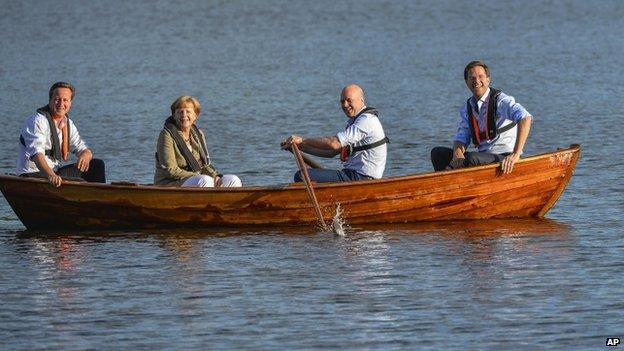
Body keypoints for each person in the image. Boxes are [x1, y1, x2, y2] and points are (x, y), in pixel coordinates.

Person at [431, 61, 533, 174]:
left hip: (504, 158)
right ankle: (447, 187)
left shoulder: (501, 101)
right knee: (437, 153)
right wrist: (457, 153)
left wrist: (516, 154)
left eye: (481, 77)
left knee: (472, 158)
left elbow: (525, 118)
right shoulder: (467, 108)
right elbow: (461, 138)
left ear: (488, 79)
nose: (476, 81)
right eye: (472, 78)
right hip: (482, 158)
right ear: (466, 82)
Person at [281, 84, 388, 183]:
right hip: (353, 174)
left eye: (349, 100)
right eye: (342, 101)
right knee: (307, 174)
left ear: (361, 100)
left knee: (301, 175)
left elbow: (334, 143)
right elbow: (331, 152)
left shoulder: (366, 120)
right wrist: (299, 147)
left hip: (361, 177)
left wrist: (302, 140)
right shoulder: (356, 122)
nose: (345, 105)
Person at [17, 81, 106, 187]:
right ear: (50, 100)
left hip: (55, 171)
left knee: (96, 165)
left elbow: (81, 147)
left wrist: (86, 154)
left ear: (70, 103)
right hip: (32, 174)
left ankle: (99, 199)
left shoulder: (68, 123)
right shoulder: (37, 121)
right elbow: (36, 154)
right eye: (57, 99)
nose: (61, 104)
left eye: (65, 100)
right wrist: (51, 175)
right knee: (79, 182)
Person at [154, 95, 242, 187]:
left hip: (196, 178)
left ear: (195, 115)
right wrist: (198, 176)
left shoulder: (198, 134)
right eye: (180, 112)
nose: (184, 115)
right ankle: (205, 201)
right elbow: (170, 170)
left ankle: (226, 201)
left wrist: (215, 176)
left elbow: (205, 165)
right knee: (205, 180)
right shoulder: (166, 135)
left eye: (188, 111)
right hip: (171, 182)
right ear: (174, 115)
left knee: (232, 180)